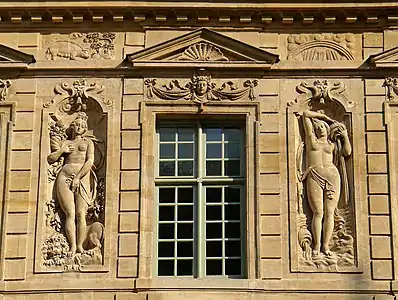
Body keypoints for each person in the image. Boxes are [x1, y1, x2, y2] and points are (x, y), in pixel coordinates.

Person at [301, 109, 351, 257]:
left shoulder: (333, 145)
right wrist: (323, 117)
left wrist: (345, 136)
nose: (320, 129)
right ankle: (316, 246)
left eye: (322, 127)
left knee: (329, 213)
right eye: (318, 127)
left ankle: (325, 246)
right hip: (314, 175)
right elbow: (305, 114)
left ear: (327, 129)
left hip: (333, 176)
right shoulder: (311, 140)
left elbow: (347, 152)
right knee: (318, 212)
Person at [47, 112, 95, 255]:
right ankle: (72, 246)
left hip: (82, 178)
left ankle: (80, 246)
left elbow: (89, 162)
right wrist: (62, 150)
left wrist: (78, 177)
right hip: (64, 176)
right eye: (77, 124)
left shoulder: (88, 143)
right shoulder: (66, 143)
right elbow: (51, 158)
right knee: (70, 213)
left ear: (85, 128)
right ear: (73, 126)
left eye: (82, 125)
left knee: (81, 213)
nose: (79, 127)